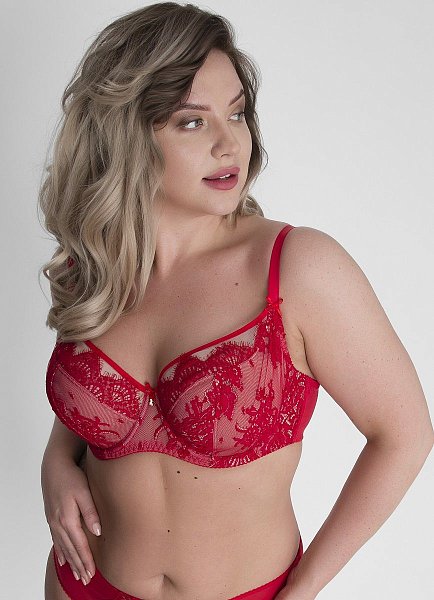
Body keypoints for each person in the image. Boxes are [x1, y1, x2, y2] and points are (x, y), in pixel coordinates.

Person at [39, 3, 433, 600]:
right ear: (126, 136)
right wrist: (56, 461)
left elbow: (405, 434)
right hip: (82, 584)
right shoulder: (96, 260)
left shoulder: (297, 269)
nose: (230, 144)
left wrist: (302, 591)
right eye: (192, 122)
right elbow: (95, 393)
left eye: (237, 113)